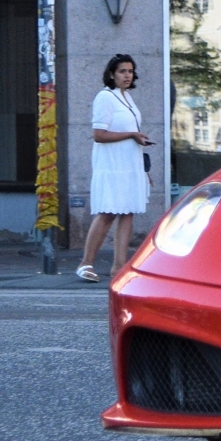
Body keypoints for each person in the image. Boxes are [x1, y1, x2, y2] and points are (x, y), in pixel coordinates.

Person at [78, 54, 150, 283]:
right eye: (122, 71)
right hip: (112, 165)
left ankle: (119, 266)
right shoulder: (105, 97)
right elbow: (98, 135)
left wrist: (144, 167)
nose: (127, 75)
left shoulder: (126, 97)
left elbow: (132, 131)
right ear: (112, 74)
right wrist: (130, 134)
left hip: (130, 163)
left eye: (130, 71)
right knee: (108, 212)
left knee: (127, 212)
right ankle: (85, 263)